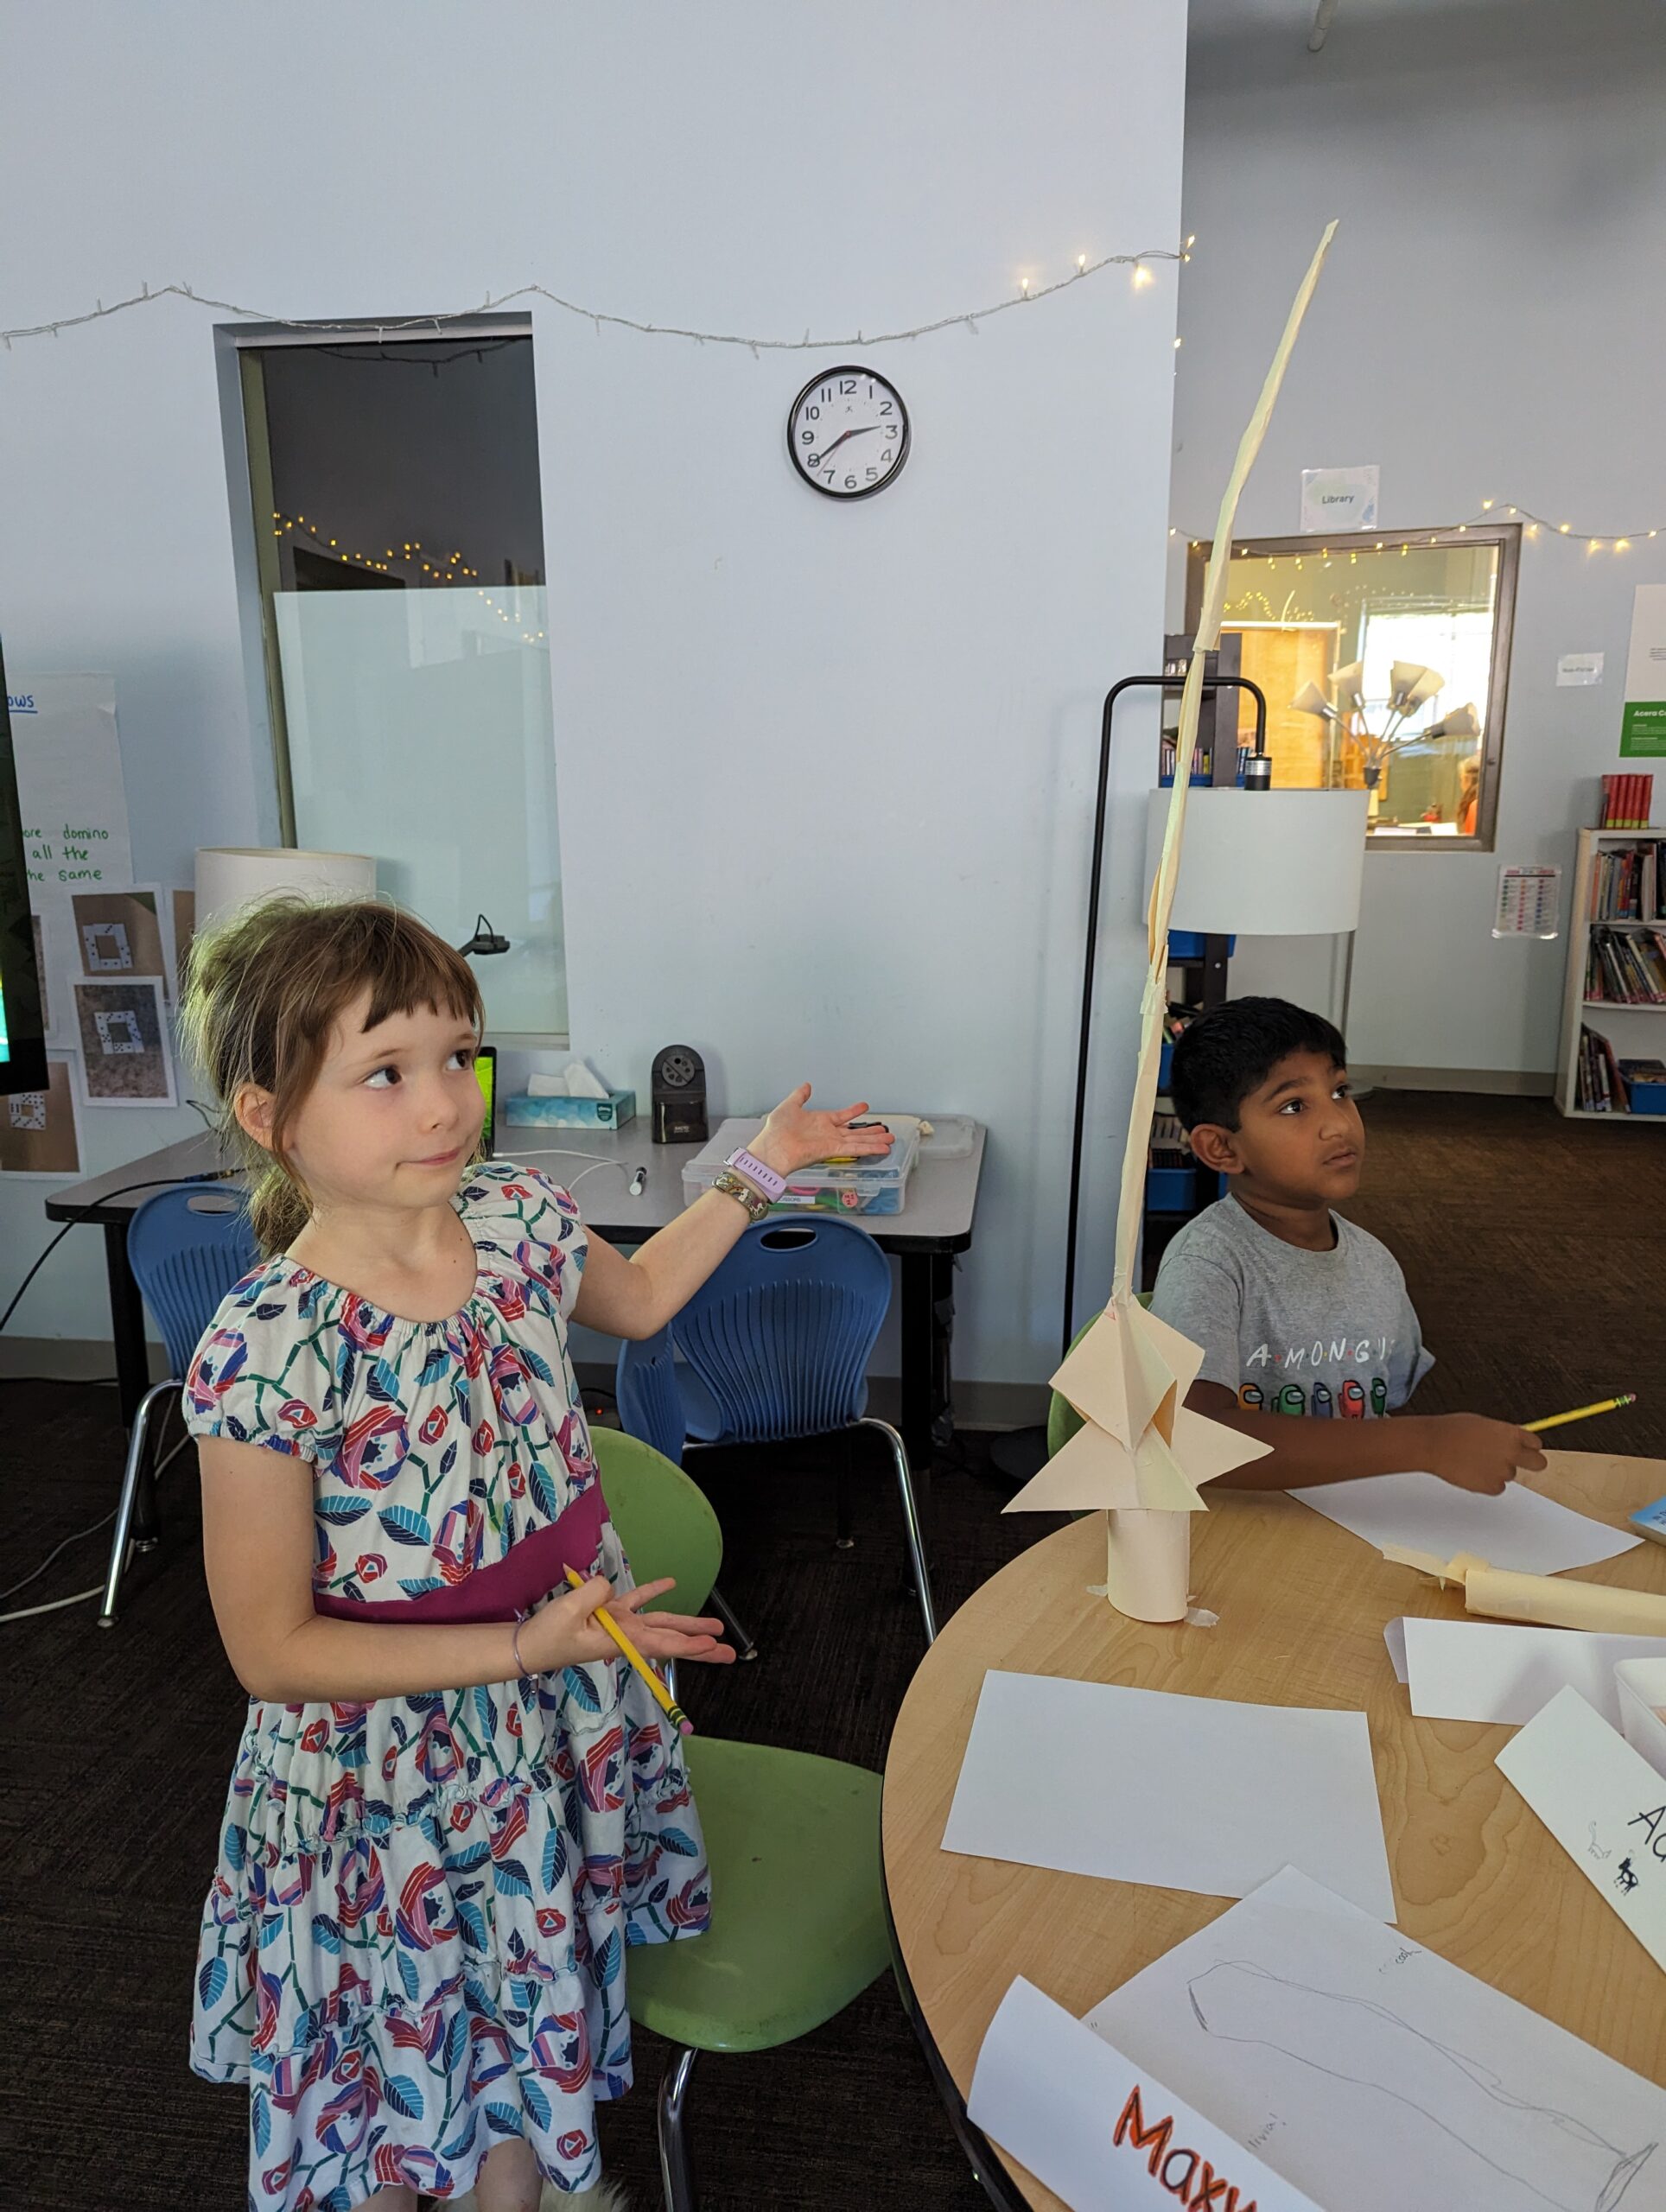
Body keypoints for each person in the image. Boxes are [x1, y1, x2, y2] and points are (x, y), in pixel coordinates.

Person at [176, 894, 895, 2212]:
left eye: (459, 1056)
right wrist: (520, 1646)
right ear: (270, 1115)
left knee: (522, 2003)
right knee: (397, 2041)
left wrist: (762, 1165)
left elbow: (644, 1297)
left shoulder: (514, 1212)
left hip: (551, 1709)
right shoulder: (267, 1347)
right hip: (389, 1770)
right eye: (385, 1072)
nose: (445, 1103)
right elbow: (271, 1652)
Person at [1150, 995, 1546, 1495]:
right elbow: (1192, 1439)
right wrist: (1425, 1444)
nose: (1339, 1123)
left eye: (1340, 1091)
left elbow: (1380, 1410)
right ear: (1222, 1148)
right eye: (1294, 1106)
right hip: (1243, 1524)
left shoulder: (1375, 1262)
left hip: (1353, 1514)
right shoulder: (1207, 1265)